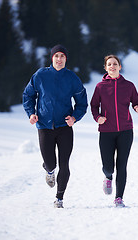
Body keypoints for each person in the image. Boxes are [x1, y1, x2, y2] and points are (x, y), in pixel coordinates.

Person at [23, 44, 88, 208]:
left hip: (64, 127)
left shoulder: (72, 78)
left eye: (62, 56)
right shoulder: (40, 75)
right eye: (56, 56)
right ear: (52, 58)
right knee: (51, 163)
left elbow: (82, 103)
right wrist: (31, 113)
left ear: (66, 59)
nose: (59, 59)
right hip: (44, 125)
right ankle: (49, 170)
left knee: (64, 163)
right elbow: (28, 95)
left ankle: (59, 198)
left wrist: (74, 117)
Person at [90, 55, 138, 207]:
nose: (112, 66)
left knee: (122, 164)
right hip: (106, 131)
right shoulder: (100, 87)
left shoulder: (129, 86)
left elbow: (137, 102)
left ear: (120, 67)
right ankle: (108, 177)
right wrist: (97, 117)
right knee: (108, 166)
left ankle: (119, 197)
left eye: (115, 64)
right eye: (109, 64)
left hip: (126, 130)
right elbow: (93, 105)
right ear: (106, 68)